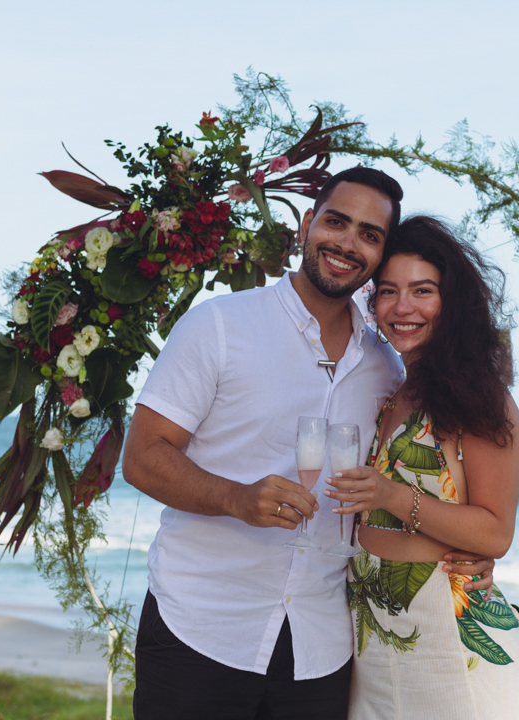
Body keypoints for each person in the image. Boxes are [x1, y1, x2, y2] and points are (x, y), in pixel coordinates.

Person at [122, 168, 496, 720]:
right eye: (336, 222)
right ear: (306, 225)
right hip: (200, 628)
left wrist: (466, 552)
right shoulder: (220, 326)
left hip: (321, 648)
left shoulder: (387, 368)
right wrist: (236, 498)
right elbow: (143, 458)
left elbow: (416, 483)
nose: (348, 243)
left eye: (370, 235)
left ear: (380, 254)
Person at [325, 216, 519, 719]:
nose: (402, 308)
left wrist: (390, 496)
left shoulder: (481, 398)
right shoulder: (396, 391)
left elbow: (494, 533)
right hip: (377, 643)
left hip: (452, 642)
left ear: (452, 304)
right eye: (388, 291)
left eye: (421, 291)